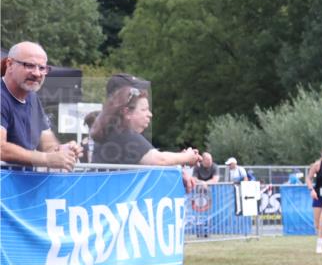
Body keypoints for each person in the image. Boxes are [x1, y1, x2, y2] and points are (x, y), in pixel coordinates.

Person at [1, 42, 81, 170]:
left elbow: (47, 142)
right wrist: (46, 159)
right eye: (29, 65)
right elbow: (1, 148)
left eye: (42, 68)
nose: (37, 73)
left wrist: (60, 150)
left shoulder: (32, 98)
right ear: (9, 64)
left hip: (23, 188)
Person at [91, 87, 199, 169]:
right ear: (127, 112)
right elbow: (160, 159)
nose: (150, 114)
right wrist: (188, 157)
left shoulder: (111, 133)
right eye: (144, 110)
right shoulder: (124, 134)